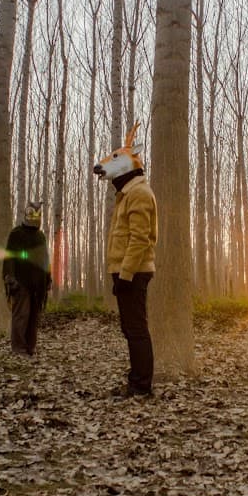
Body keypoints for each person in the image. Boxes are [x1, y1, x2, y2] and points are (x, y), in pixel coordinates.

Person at [93, 122, 157, 397]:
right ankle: (137, 379)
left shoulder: (140, 194)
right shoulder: (128, 194)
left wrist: (127, 275)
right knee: (130, 329)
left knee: (136, 329)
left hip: (134, 271)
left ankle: (141, 386)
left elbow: (140, 239)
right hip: (125, 270)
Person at [3, 201, 51, 356]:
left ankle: (30, 347)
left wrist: (48, 279)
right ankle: (19, 348)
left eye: (37, 214)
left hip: (38, 284)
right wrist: (10, 277)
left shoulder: (40, 236)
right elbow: (9, 257)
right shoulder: (16, 233)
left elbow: (45, 259)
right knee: (21, 315)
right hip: (20, 280)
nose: (35, 217)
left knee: (33, 316)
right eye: (32, 213)